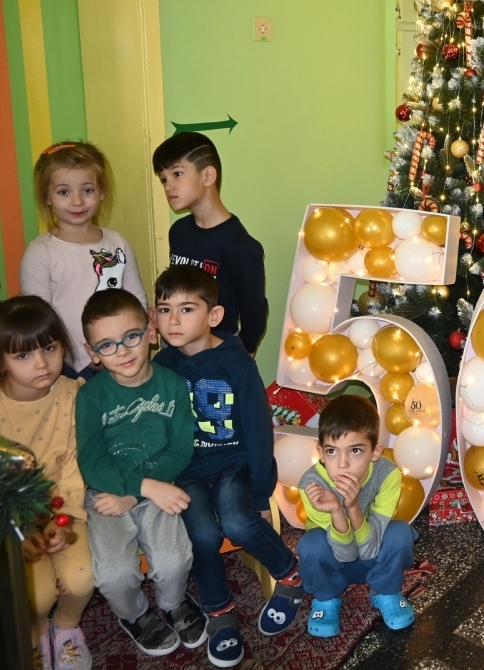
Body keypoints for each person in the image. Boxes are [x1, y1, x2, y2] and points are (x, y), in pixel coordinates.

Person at [153, 265, 303, 666]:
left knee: (237, 522)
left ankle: (291, 574)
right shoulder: (161, 366)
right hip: (187, 469)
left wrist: (262, 492)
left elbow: (258, 428)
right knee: (201, 532)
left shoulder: (236, 362)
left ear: (213, 315)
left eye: (187, 309)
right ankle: (219, 611)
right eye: (165, 309)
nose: (173, 320)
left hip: (235, 462)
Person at [0, 297, 93, 670]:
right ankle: (34, 633)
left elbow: (72, 464)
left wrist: (64, 520)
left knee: (82, 580)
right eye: (23, 355)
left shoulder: (74, 394)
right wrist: (17, 530)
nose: (41, 363)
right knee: (35, 595)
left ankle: (66, 627)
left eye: (49, 348)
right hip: (12, 522)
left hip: (63, 510)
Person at [75, 289, 201, 658]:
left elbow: (180, 449)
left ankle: (173, 603)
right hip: (107, 494)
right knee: (114, 574)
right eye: (107, 345)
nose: (123, 351)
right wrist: (137, 489)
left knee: (174, 560)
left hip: (160, 486)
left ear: (151, 331)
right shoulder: (91, 397)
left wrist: (141, 492)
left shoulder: (172, 384)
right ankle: (133, 615)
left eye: (131, 336)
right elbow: (91, 463)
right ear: (92, 353)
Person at [20, 141, 148, 379]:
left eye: (87, 190)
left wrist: (135, 344)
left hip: (125, 356)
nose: (77, 201)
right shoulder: (40, 253)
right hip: (73, 367)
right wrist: (84, 358)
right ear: (47, 196)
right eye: (64, 192)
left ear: (101, 192)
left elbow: (136, 300)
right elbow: (41, 323)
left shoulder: (117, 243)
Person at [298, 394, 416, 639]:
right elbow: (346, 554)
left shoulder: (387, 475)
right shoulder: (311, 485)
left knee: (400, 532)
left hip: (374, 557)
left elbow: (370, 550)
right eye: (332, 451)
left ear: (375, 452)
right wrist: (336, 511)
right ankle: (326, 598)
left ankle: (386, 591)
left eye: (355, 450)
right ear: (320, 452)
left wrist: (352, 507)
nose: (342, 464)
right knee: (311, 544)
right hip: (336, 562)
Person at [153, 132, 269, 356]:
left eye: (177, 174)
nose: (168, 186)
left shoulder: (239, 245)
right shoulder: (178, 232)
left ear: (208, 176)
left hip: (218, 348)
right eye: (164, 179)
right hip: (176, 344)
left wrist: (245, 353)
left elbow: (253, 306)